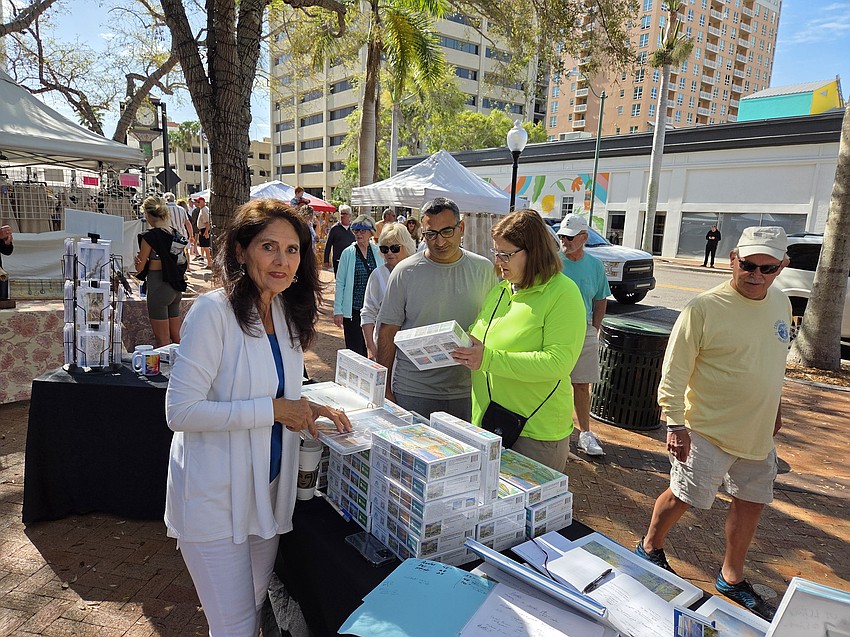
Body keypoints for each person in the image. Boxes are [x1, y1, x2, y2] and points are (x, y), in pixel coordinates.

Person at [164, 199, 351, 637]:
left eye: (292, 250)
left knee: (247, 610)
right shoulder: (213, 312)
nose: (282, 260)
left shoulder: (284, 311)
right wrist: (273, 411)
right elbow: (180, 411)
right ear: (241, 250)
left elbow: (275, 388)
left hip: (266, 492)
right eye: (269, 247)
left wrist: (310, 406)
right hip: (215, 498)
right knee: (236, 626)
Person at [634, 226, 791, 621]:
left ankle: (730, 576)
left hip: (756, 432)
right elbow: (674, 370)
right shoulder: (703, 307)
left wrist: (775, 408)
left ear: (781, 267)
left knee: (751, 503)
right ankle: (650, 547)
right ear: (733, 258)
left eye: (767, 268)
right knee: (683, 495)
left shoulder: (782, 303)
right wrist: (674, 423)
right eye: (749, 264)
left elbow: (773, 363)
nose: (756, 274)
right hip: (706, 427)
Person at [451, 209, 585, 470]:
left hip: (534, 434)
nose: (498, 261)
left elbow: (558, 363)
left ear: (533, 251)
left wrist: (487, 358)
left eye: (506, 254)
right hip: (489, 424)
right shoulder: (501, 289)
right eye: (495, 252)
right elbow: (481, 335)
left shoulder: (563, 293)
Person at [376, 197, 498, 421]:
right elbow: (387, 331)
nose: (439, 241)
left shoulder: (484, 270)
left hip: (468, 391)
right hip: (412, 390)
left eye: (447, 231)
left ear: (461, 228)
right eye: (431, 234)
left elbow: (495, 328)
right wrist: (384, 390)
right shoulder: (404, 272)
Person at [557, 214, 611, 457]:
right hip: (556, 329)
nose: (564, 240)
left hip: (584, 329)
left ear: (583, 238)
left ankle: (585, 433)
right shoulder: (553, 262)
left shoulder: (595, 265)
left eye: (569, 236)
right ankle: (558, 432)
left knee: (581, 384)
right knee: (554, 381)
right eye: (561, 236)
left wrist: (595, 327)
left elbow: (601, 298)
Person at [133, 196, 188, 347]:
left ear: (149, 215)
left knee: (163, 341)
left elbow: (140, 267)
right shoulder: (175, 233)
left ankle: (166, 370)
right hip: (175, 287)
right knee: (177, 338)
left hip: (158, 287)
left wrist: (137, 261)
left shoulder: (150, 236)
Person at [360, 223, 416, 360]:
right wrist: (371, 347)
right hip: (385, 347)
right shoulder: (377, 276)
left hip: (412, 348)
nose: (389, 252)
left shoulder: (418, 273)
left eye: (395, 248)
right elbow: (368, 313)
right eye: (385, 248)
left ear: (406, 246)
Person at [333, 214, 382, 356]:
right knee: (355, 350)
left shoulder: (378, 252)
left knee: (374, 347)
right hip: (354, 310)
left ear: (370, 233)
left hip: (374, 310)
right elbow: (340, 283)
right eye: (356, 231)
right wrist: (338, 310)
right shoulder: (347, 253)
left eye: (362, 231)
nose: (359, 234)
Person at [323, 204, 355, 274]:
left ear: (349, 215)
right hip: (338, 260)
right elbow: (328, 245)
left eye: (345, 214)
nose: (342, 216)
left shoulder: (354, 229)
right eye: (341, 213)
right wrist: (326, 260)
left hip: (351, 260)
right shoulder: (334, 229)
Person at [195, 197, 212, 268]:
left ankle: (209, 263)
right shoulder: (202, 209)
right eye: (197, 202)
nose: (197, 203)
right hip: (203, 230)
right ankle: (209, 262)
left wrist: (206, 232)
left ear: (203, 201)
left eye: (199, 201)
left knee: (206, 247)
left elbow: (208, 222)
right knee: (205, 247)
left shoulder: (204, 210)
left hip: (204, 230)